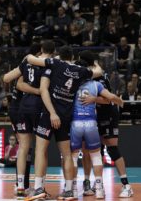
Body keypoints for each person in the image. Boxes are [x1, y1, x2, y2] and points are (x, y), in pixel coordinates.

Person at [26, 46, 102, 200]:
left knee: (40, 151)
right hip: (66, 117)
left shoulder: (55, 64)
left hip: (49, 114)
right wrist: (94, 61)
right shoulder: (81, 71)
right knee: (66, 155)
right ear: (72, 56)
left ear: (60, 55)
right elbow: (99, 72)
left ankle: (39, 188)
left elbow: (30, 59)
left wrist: (52, 113)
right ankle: (69, 190)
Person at [70, 50, 124, 199]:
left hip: (76, 123)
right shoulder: (95, 84)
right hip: (91, 123)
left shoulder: (71, 85)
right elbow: (111, 97)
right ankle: (99, 189)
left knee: (74, 157)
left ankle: (73, 188)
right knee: (96, 155)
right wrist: (120, 101)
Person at [2, 42, 44, 198]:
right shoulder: (28, 64)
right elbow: (17, 84)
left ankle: (23, 185)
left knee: (26, 148)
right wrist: (39, 91)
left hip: (21, 108)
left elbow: (6, 77)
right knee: (25, 146)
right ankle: (21, 184)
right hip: (19, 108)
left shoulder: (26, 64)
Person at [81, 74, 134, 198]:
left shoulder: (100, 78)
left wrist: (93, 99)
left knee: (112, 149)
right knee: (96, 150)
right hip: (95, 117)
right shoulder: (83, 78)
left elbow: (107, 99)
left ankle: (126, 186)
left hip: (108, 115)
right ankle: (99, 184)